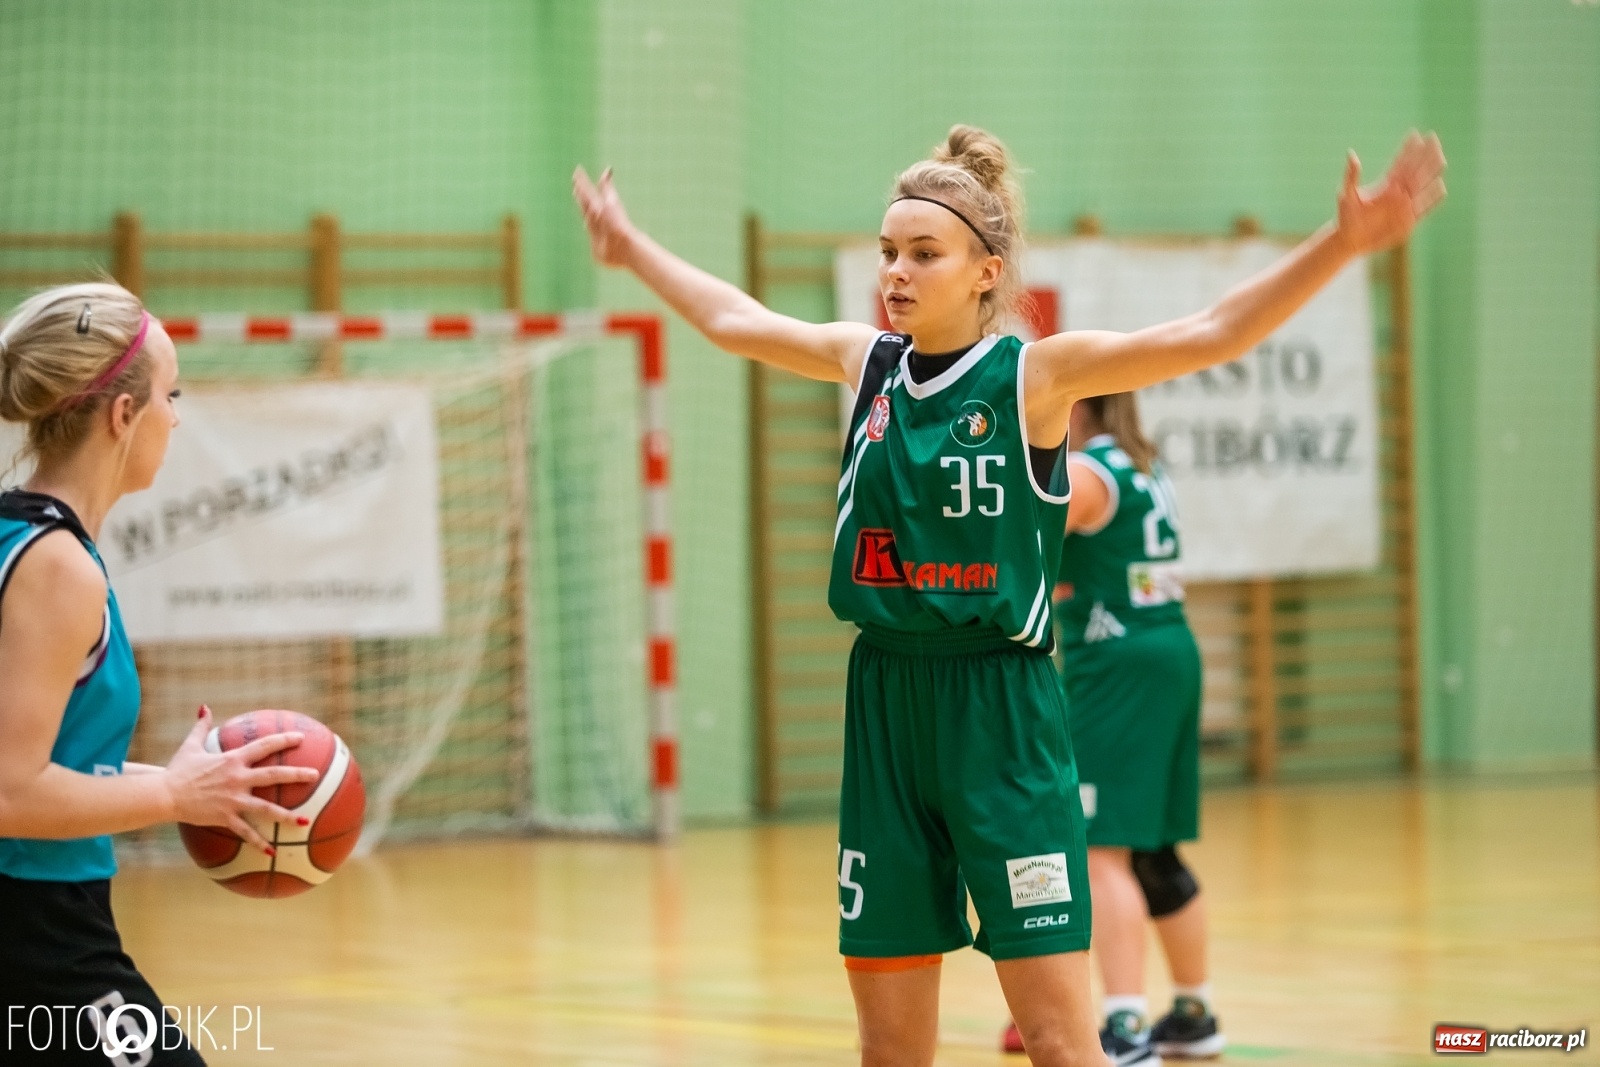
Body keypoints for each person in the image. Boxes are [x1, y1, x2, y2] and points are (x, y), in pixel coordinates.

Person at [574, 125, 1444, 1067]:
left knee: (1061, 1043)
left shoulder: (1034, 379)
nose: (895, 272)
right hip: (885, 708)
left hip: (1003, 717)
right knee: (890, 1050)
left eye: (922, 253)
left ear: (987, 271)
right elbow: (732, 318)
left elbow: (1212, 333)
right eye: (887, 253)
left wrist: (1342, 243)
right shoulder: (864, 363)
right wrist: (633, 250)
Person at [0, 283, 319, 1065]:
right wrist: (174, 795)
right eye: (170, 394)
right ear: (121, 415)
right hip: (37, 936)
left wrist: (198, 782)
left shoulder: (22, 534)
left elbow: (46, 753)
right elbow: (9, 788)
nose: (177, 415)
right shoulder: (58, 569)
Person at [1001, 392, 1219, 1065]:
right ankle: (1193, 1009)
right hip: (1170, 648)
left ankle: (1123, 1025)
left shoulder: (1089, 475)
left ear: (1073, 404)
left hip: (1119, 663)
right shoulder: (1141, 464)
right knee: (1154, 849)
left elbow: (1020, 531)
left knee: (1104, 849)